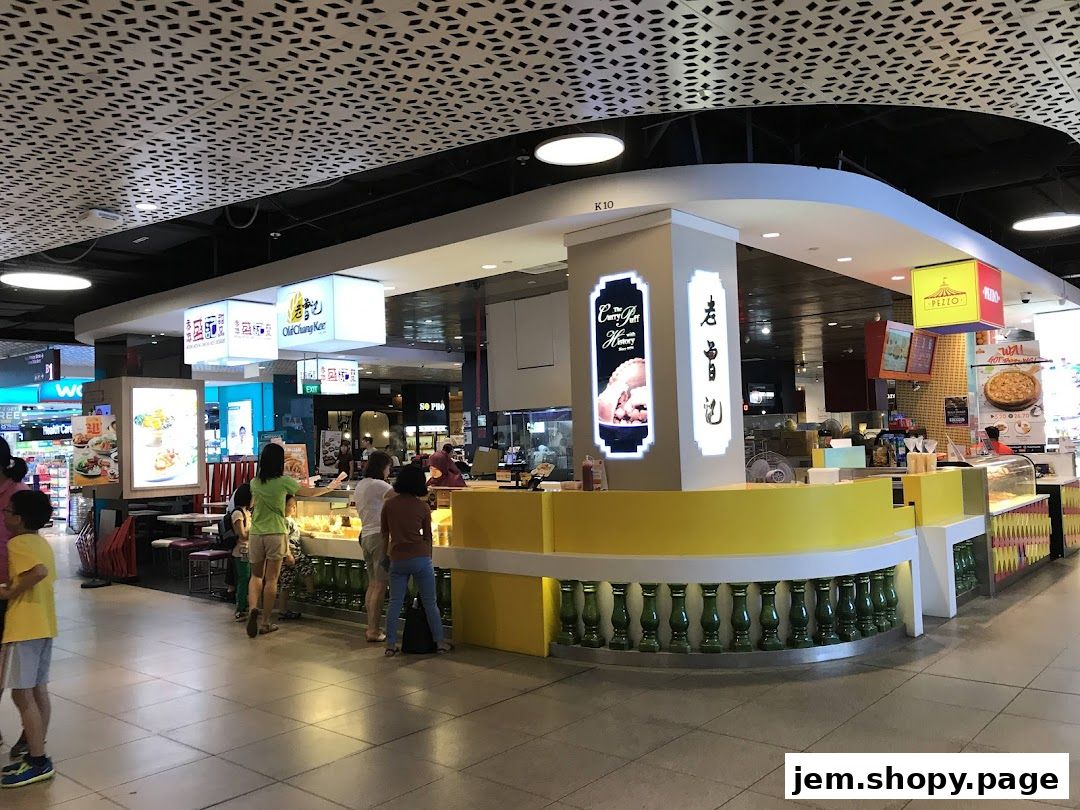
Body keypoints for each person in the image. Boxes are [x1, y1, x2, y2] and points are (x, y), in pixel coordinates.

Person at [246, 443, 346, 638]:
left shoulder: (254, 482)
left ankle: (252, 608)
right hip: (276, 532)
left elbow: (254, 505)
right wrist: (329, 487)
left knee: (256, 576)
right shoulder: (284, 482)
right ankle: (265, 622)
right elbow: (308, 493)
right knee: (272, 579)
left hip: (256, 533)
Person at [0, 490, 57, 788]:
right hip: (44, 625)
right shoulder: (39, 542)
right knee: (38, 692)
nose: (4, 515)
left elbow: (38, 572)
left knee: (21, 695)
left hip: (23, 628)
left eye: (7, 511)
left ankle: (37, 760)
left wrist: (9, 592)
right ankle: (37, 752)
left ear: (19, 519)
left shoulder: (18, 542)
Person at [381, 465, 452, 656]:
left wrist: (384, 556)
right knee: (430, 602)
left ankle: (390, 644)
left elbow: (384, 534)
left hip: (397, 557)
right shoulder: (423, 506)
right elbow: (428, 536)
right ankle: (439, 642)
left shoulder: (389, 505)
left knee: (395, 602)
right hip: (420, 557)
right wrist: (428, 557)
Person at [0, 438, 28, 757]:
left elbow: (34, 556)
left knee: (24, 677)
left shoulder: (18, 497)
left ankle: (30, 735)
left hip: (15, 593)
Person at [352, 450, 393, 642]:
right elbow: (402, 495)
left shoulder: (361, 484)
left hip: (365, 536)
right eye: (388, 467)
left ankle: (370, 626)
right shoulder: (379, 485)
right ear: (383, 467)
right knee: (380, 585)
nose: (389, 471)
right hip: (379, 538)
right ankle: (373, 630)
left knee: (372, 583)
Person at [276, 495, 313, 620]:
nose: (293, 508)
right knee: (307, 566)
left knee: (286, 583)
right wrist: (289, 554)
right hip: (292, 553)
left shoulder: (289, 520)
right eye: (290, 506)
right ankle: (310, 593)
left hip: (284, 556)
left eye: (294, 506)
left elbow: (297, 530)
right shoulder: (285, 521)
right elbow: (284, 538)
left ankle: (282, 610)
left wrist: (308, 533)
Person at [227, 484, 252, 622]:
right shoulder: (238, 513)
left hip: (248, 550)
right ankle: (240, 608)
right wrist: (255, 531)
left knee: (247, 578)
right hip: (241, 551)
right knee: (243, 578)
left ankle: (246, 605)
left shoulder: (247, 512)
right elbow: (241, 534)